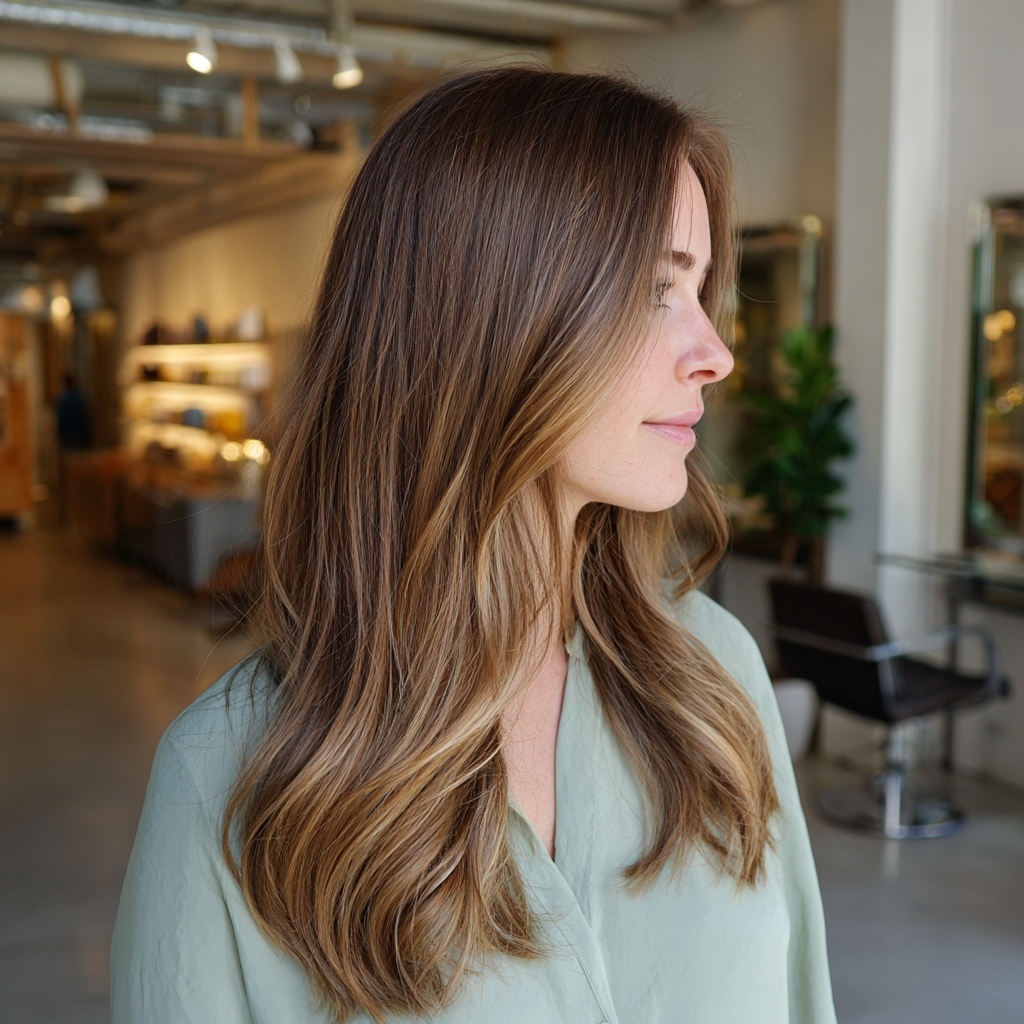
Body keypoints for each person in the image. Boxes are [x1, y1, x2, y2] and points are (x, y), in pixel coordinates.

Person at [111, 67, 836, 1024]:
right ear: (492, 317)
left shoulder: (716, 676)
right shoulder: (231, 778)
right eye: (660, 289)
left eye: (701, 291)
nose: (715, 351)